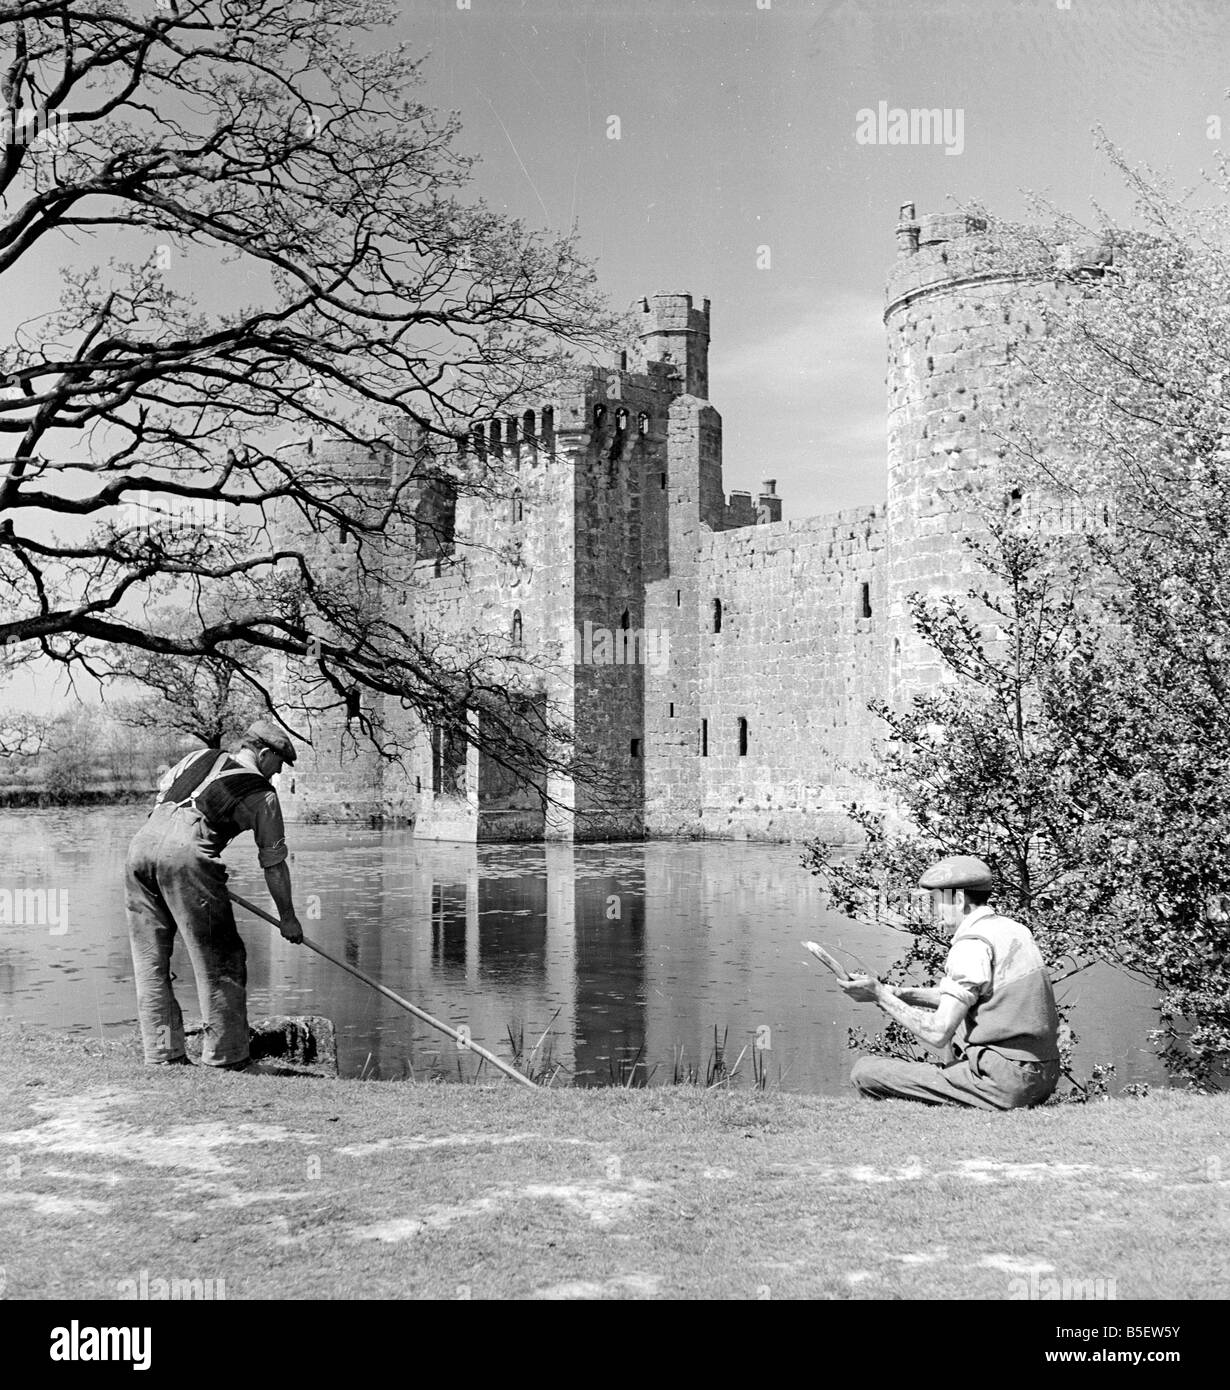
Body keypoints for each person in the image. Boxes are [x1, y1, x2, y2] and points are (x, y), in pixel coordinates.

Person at [125, 718, 305, 1070]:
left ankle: (163, 1053)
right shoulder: (262, 794)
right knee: (222, 960)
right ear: (264, 754)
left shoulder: (198, 756)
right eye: (278, 765)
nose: (278, 774)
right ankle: (227, 1057)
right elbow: (274, 863)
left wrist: (167, 862)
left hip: (139, 849)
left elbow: (161, 800)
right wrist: (288, 918)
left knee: (151, 963)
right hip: (187, 860)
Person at [840, 855, 1061, 1109]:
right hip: (1043, 1077)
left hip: (1007, 1082)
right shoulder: (1013, 930)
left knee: (865, 1071)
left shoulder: (971, 945)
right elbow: (972, 996)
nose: (934, 913)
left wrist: (880, 996)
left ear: (958, 900)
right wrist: (898, 993)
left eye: (936, 903)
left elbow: (937, 1032)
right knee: (958, 1035)